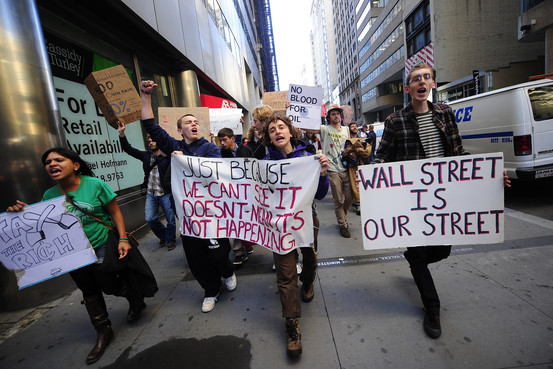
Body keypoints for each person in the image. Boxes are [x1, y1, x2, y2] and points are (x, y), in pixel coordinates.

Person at [374, 63, 511, 339]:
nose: (421, 82)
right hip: (412, 201)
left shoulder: (446, 114)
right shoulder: (395, 121)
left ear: (433, 84)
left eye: (426, 77)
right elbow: (382, 157)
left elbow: (459, 153)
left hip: (443, 201)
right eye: (415, 79)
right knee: (417, 253)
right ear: (408, 88)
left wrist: (491, 174)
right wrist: (371, 178)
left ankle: (415, 259)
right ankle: (432, 307)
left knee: (441, 251)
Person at [7, 148, 147, 364]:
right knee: (88, 290)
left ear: (75, 165)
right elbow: (43, 224)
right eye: (47, 162)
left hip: (101, 244)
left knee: (108, 284)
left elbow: (115, 212)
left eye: (58, 159)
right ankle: (103, 331)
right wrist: (22, 214)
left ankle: (133, 298)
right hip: (72, 253)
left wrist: (122, 239)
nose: (52, 164)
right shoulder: (49, 196)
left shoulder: (94, 185)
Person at [139, 80, 237, 313]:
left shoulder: (209, 148)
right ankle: (211, 289)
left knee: (217, 252)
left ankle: (227, 271)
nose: (193, 124)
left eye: (195, 122)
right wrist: (145, 96)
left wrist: (186, 161)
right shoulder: (172, 144)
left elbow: (216, 172)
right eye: (188, 122)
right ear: (179, 130)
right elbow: (149, 125)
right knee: (196, 257)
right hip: (188, 214)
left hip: (212, 212)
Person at [262, 112, 329, 358]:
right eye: (272, 130)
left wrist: (322, 174)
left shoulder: (308, 157)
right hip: (278, 226)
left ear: (290, 132)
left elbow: (321, 195)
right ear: (269, 138)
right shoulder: (264, 164)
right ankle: (292, 325)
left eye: (281, 127)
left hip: (306, 222)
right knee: (285, 275)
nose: (278, 132)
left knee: (309, 260)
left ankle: (309, 281)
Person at [117, 123, 176, 251]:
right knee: (150, 219)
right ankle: (164, 235)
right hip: (151, 193)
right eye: (149, 141)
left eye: (153, 140)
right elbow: (128, 149)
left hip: (166, 193)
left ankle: (170, 240)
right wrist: (122, 134)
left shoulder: (169, 156)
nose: (150, 143)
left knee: (170, 219)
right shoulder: (146, 156)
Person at [307, 104, 354, 238]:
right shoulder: (324, 129)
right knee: (338, 200)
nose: (336, 116)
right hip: (332, 170)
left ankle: (342, 216)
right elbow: (307, 128)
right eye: (333, 114)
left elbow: (349, 146)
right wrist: (292, 111)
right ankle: (343, 225)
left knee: (350, 197)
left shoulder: (346, 129)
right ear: (328, 117)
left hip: (346, 168)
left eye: (338, 113)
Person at [217, 127, 254, 264]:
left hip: (246, 190)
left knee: (247, 218)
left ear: (232, 138)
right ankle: (238, 250)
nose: (222, 143)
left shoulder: (245, 150)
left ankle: (247, 243)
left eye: (225, 140)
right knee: (236, 219)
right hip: (231, 193)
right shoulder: (221, 153)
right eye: (220, 140)